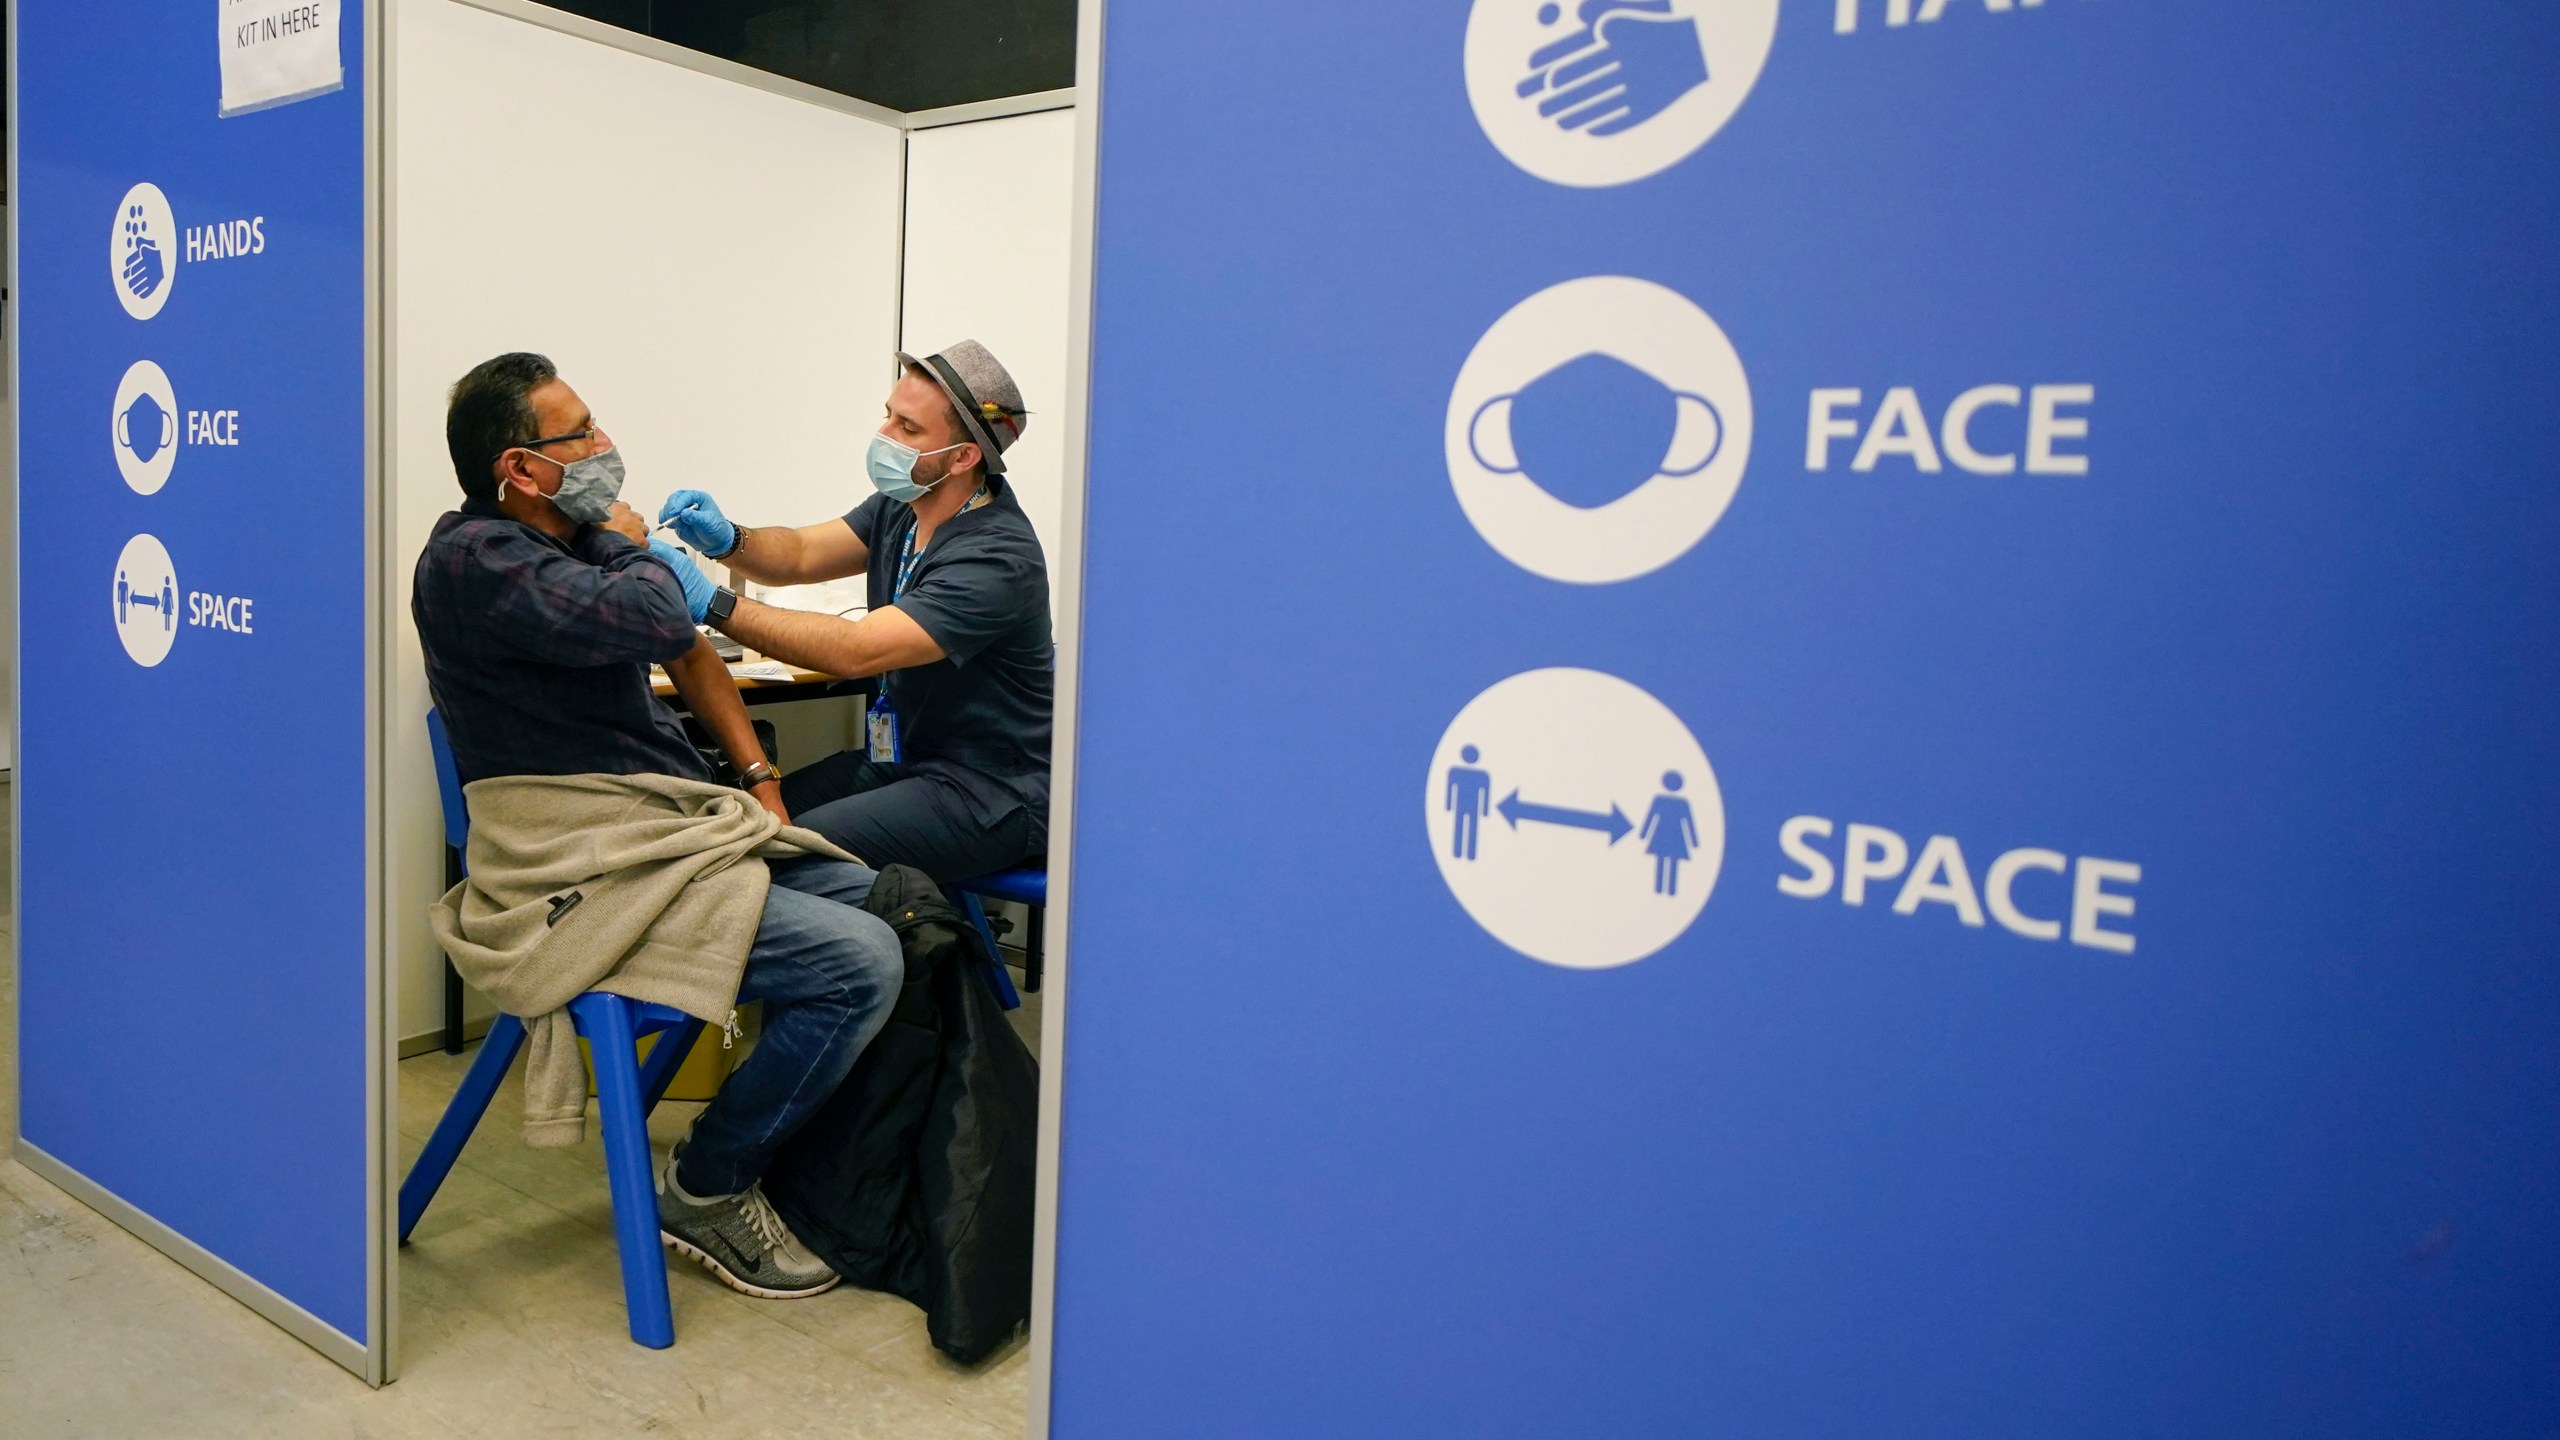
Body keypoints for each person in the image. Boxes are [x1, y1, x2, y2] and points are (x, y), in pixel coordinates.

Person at [412, 351, 905, 1300]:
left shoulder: (573, 544)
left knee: (890, 905)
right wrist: (636, 543)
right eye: (581, 435)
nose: (606, 447)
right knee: (860, 963)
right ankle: (708, 1186)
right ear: (520, 468)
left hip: (672, 832)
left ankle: (817, 1170)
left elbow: (680, 642)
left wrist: (760, 780)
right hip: (582, 863)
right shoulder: (475, 560)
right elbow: (655, 604)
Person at [652, 341, 1051, 884]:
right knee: (743, 822)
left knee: (782, 853)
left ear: (964, 457)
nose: (884, 435)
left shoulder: (997, 554)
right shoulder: (904, 507)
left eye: (908, 429)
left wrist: (710, 602)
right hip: (906, 761)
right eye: (888, 416)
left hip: (991, 792)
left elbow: (857, 651)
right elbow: (800, 554)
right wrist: (730, 540)